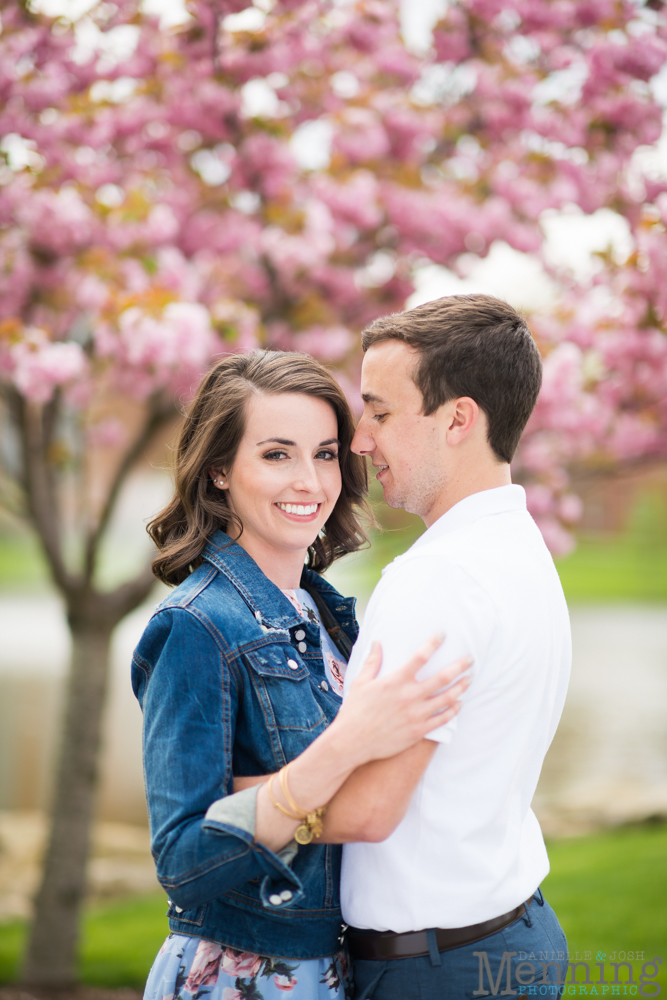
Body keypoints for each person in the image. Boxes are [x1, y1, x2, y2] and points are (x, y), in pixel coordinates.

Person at [132, 350, 471, 1000]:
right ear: (218, 471)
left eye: (324, 454)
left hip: (330, 964)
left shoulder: (326, 614)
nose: (310, 482)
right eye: (276, 454)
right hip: (243, 972)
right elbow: (180, 860)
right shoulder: (196, 627)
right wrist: (347, 745)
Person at [340, 294, 572, 1000]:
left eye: (379, 411)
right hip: (509, 937)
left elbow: (371, 809)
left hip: (437, 971)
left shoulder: (438, 579)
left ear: (457, 420)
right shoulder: (517, 547)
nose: (359, 439)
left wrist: (233, 806)